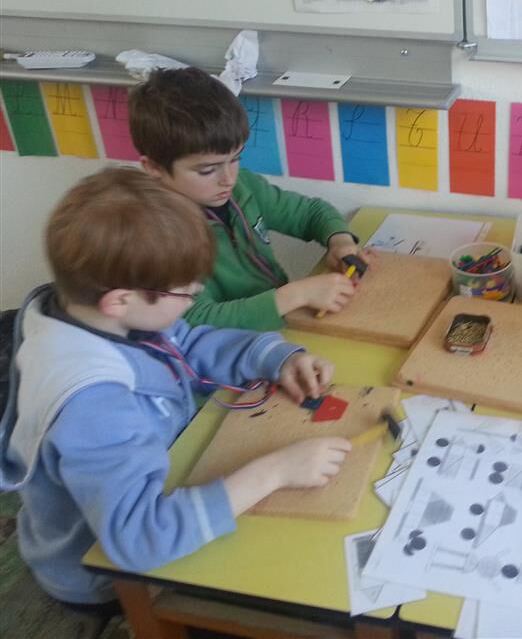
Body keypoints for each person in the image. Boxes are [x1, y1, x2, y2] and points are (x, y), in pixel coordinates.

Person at [0, 168, 350, 610]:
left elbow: (186, 342)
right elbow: (142, 537)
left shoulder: (98, 313)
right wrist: (273, 473)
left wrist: (275, 356)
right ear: (120, 300)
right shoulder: (93, 406)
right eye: (185, 293)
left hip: (170, 474)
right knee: (304, 575)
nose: (196, 294)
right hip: (106, 574)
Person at [129, 67, 367, 330]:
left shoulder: (243, 187)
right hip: (230, 347)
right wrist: (295, 295)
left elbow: (311, 213)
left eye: (236, 158)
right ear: (154, 168)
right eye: (207, 170)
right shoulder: (156, 238)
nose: (228, 179)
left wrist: (340, 241)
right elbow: (197, 320)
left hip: (281, 328)